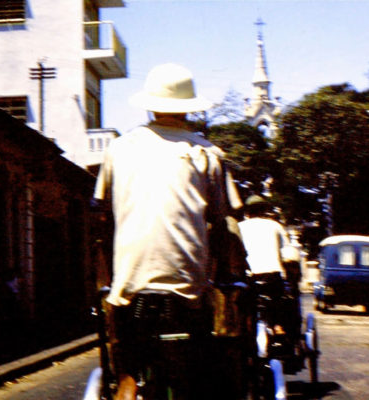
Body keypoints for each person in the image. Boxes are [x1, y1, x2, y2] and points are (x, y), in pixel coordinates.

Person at [93, 63, 241, 400]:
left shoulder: (119, 148)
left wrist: (110, 276)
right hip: (188, 288)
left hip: (131, 284)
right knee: (201, 370)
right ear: (189, 108)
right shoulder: (207, 153)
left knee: (127, 360)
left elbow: (103, 217)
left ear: (150, 104)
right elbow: (221, 223)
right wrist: (224, 274)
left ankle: (128, 383)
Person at [238, 195, 299, 336]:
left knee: (243, 306)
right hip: (271, 276)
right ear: (264, 210)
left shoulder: (240, 227)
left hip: (248, 278)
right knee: (279, 300)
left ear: (247, 212)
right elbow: (289, 255)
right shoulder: (275, 226)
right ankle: (278, 325)